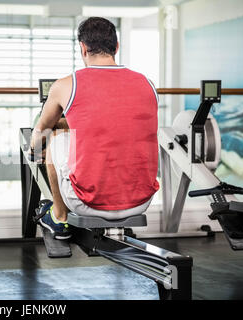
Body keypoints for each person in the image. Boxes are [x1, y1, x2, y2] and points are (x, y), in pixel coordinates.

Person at [29, 17, 160, 240]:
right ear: (116, 47)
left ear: (83, 48)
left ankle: (59, 218)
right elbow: (112, 123)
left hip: (87, 202)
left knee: (55, 138)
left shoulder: (66, 84)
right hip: (142, 202)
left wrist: (34, 150)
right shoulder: (147, 84)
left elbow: (40, 133)